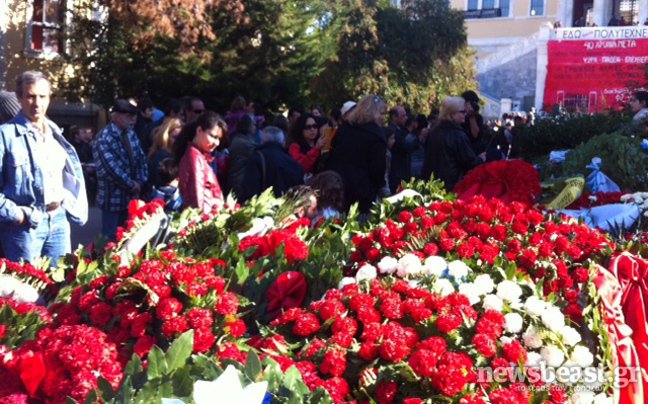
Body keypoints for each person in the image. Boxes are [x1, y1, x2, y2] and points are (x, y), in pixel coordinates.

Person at [0, 71, 87, 263]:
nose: (37, 103)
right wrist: (18, 215)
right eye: (31, 96)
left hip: (58, 222)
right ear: (19, 98)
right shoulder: (5, 136)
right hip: (24, 228)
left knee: (60, 286)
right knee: (26, 288)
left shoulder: (55, 133)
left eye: (42, 96)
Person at [93, 99, 148, 240]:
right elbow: (109, 169)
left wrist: (141, 181)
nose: (134, 119)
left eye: (135, 115)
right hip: (112, 200)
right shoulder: (104, 137)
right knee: (109, 241)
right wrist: (131, 185)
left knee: (130, 238)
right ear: (116, 116)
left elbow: (141, 158)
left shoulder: (131, 134)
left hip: (131, 200)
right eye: (130, 115)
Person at [327, 94, 388, 214]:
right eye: (382, 114)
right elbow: (378, 169)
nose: (383, 118)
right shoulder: (376, 135)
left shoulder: (343, 130)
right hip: (363, 193)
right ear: (373, 113)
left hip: (340, 188)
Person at [421, 96, 486, 192]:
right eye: (463, 112)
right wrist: (481, 158)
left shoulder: (434, 130)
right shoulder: (458, 134)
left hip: (433, 183)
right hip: (452, 184)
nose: (466, 114)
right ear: (453, 114)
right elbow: (469, 162)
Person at [174, 111, 226, 215]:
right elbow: (196, 197)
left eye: (219, 139)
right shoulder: (194, 157)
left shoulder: (197, 156)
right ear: (199, 130)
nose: (217, 143)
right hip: (204, 220)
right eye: (213, 136)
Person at [240, 126, 304, 202]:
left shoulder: (256, 159)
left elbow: (249, 190)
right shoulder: (294, 164)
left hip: (261, 208)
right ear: (283, 143)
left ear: (262, 141)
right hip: (287, 210)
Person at [386, 105, 417, 193]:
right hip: (397, 173)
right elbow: (405, 147)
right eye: (403, 116)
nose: (406, 118)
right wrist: (419, 139)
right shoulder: (393, 131)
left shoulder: (400, 130)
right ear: (394, 117)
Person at [227, 113, 258, 198]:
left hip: (235, 178)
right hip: (240, 181)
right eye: (254, 124)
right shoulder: (247, 144)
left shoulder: (237, 139)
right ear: (249, 126)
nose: (255, 127)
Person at [148, 117, 183, 187]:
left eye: (181, 137)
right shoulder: (161, 157)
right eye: (175, 137)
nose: (179, 141)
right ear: (166, 137)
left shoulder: (181, 154)